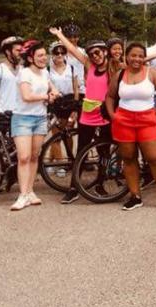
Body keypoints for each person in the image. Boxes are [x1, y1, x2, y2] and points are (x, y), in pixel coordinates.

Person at [105, 42, 156, 212]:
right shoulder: (120, 74)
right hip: (124, 121)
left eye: (140, 56)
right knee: (129, 158)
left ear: (144, 58)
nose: (137, 59)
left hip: (147, 120)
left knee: (155, 158)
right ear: (126, 57)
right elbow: (109, 96)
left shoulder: (152, 73)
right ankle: (135, 196)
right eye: (133, 55)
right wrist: (113, 115)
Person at [49, 28, 113, 204]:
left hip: (105, 115)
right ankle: (73, 188)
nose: (95, 56)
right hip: (88, 115)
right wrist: (60, 36)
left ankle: (100, 183)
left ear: (105, 52)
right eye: (91, 53)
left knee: (104, 152)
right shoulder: (89, 65)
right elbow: (73, 50)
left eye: (98, 52)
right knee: (81, 151)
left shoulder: (113, 68)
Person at [10, 41, 59, 211]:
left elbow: (54, 89)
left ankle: (30, 191)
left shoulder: (45, 72)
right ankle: (22, 195)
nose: (44, 58)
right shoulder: (24, 74)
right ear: (30, 57)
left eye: (45, 55)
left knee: (34, 156)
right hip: (22, 118)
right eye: (39, 55)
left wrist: (54, 92)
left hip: (39, 118)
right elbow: (27, 96)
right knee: (23, 157)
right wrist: (46, 97)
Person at [47, 41, 79, 178]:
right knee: (56, 136)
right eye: (56, 52)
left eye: (62, 52)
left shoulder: (71, 68)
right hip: (56, 104)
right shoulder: (47, 70)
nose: (59, 55)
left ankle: (64, 159)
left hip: (69, 102)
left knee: (68, 134)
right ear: (52, 54)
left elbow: (76, 87)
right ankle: (59, 164)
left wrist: (76, 107)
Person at [0, 36, 24, 120]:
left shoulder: (24, 70)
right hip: (4, 113)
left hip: (21, 113)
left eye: (22, 50)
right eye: (18, 50)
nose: (21, 53)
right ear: (8, 52)